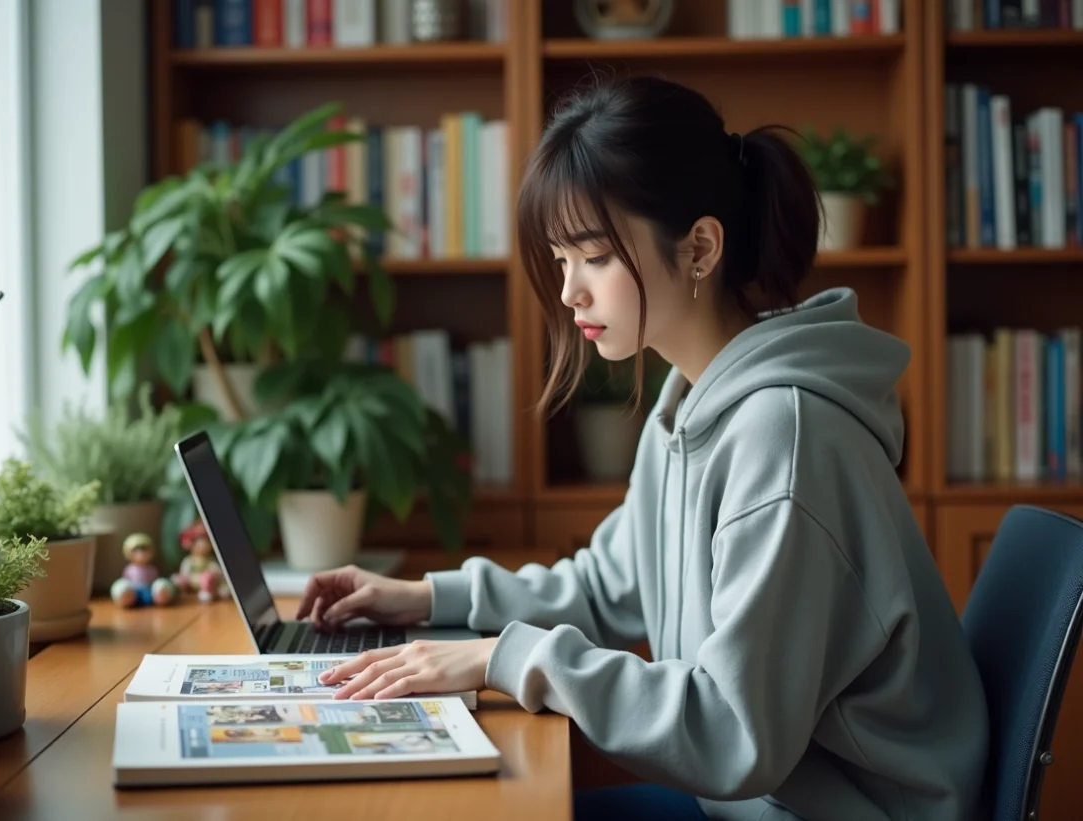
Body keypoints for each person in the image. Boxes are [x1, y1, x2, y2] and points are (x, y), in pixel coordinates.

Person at [296, 75, 988, 821]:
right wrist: (432, 597)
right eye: (560, 260)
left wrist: (502, 656)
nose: (569, 293)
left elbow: (729, 730)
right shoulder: (689, 402)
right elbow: (610, 586)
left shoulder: (784, 440)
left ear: (699, 247)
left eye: (592, 256)